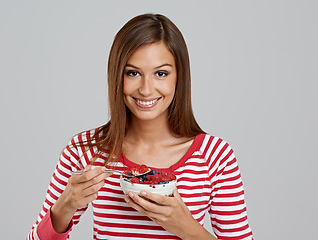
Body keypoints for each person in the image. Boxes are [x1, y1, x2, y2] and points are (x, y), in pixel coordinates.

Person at [27, 13, 253, 240]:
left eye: (161, 73)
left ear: (179, 77)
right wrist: (66, 204)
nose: (146, 89)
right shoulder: (84, 151)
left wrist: (187, 228)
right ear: (116, 76)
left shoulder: (215, 156)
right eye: (133, 73)